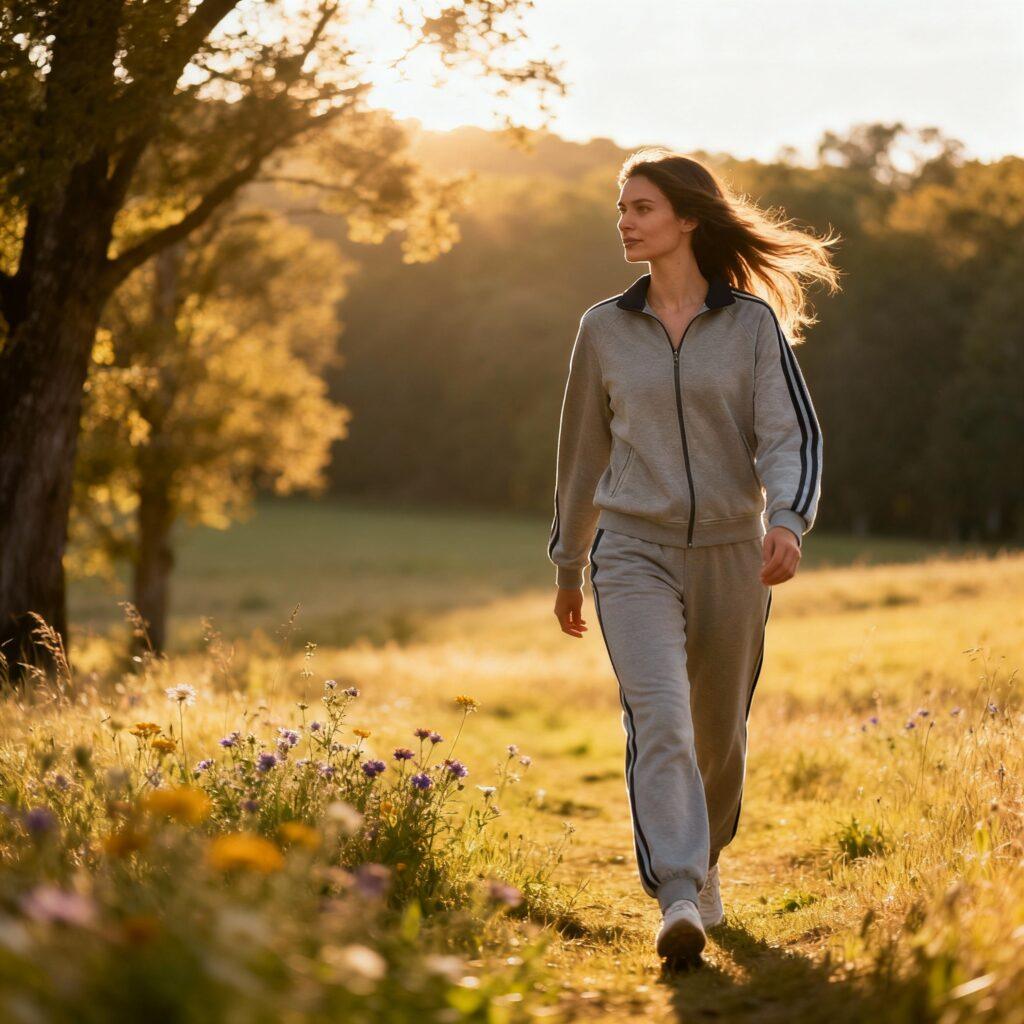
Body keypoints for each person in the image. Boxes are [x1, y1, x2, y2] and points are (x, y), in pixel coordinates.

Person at [547, 148, 840, 968]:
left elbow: (790, 435)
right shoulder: (603, 328)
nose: (625, 221)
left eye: (641, 207)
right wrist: (570, 563)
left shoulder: (750, 326)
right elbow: (579, 454)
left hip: (731, 554)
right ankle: (677, 893)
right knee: (663, 720)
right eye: (621, 207)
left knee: (718, 734)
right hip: (632, 550)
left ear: (686, 219)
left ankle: (706, 859)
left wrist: (787, 518)